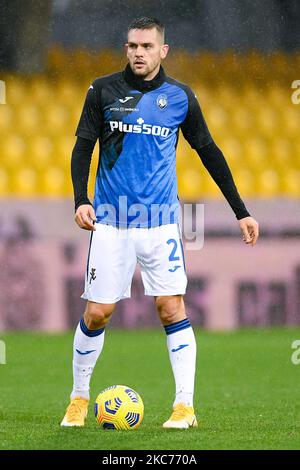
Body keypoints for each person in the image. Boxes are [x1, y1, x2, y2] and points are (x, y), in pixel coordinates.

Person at [61, 16, 259, 429]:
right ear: (126, 48)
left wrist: (240, 210)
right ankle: (78, 399)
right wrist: (81, 200)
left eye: (147, 46)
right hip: (111, 223)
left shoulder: (180, 97)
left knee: (171, 307)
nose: (138, 53)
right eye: (132, 45)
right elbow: (82, 148)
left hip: (161, 224)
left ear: (162, 50)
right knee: (97, 313)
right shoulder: (102, 90)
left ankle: (184, 407)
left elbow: (209, 151)